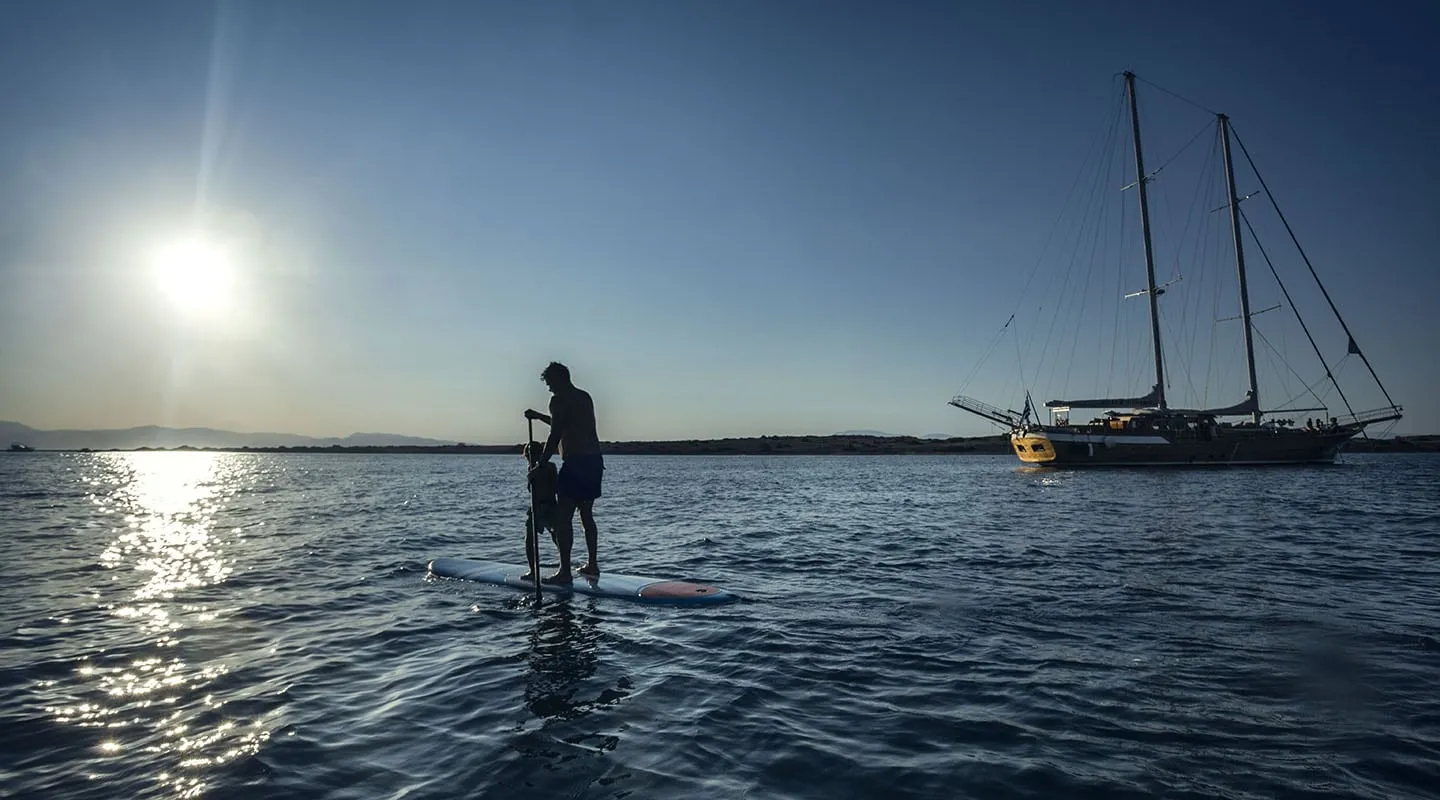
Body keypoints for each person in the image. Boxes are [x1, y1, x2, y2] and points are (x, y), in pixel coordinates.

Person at [524, 361, 604, 584]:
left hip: (576, 462)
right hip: (594, 461)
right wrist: (540, 417)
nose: (548, 388)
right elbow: (567, 424)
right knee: (586, 515)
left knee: (563, 518)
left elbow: (556, 433)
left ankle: (565, 573)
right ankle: (592, 565)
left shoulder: (558, 400)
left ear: (560, 378)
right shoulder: (584, 396)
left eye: (549, 383)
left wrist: (540, 464)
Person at [520, 440, 559, 583]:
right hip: (535, 508)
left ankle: (564, 565)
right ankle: (532, 570)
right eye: (529, 455)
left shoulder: (550, 467)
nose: (530, 457)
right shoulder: (530, 468)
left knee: (557, 536)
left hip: (549, 506)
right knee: (529, 539)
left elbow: (556, 487)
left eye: (533, 454)